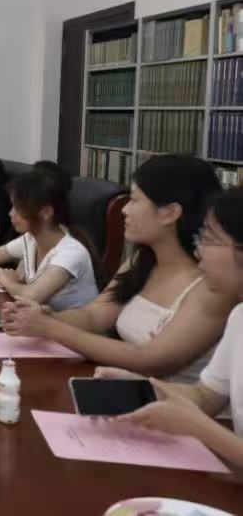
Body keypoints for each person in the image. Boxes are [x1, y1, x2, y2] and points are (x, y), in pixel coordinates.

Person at [2, 155, 235, 381]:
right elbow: (94, 316)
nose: (124, 210)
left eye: (134, 200)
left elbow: (150, 359)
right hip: (127, 387)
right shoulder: (142, 261)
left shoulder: (211, 286)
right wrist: (45, 316)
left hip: (168, 402)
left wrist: (51, 327)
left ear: (169, 213)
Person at [116, 188, 243, 466]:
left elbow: (200, 417)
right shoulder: (238, 317)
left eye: (209, 239)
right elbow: (206, 396)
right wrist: (144, 388)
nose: (198, 251)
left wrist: (198, 427)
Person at [0, 171, 99, 311]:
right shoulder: (30, 239)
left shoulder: (71, 252)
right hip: (39, 320)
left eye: (18, 208)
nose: (11, 213)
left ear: (46, 213)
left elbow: (31, 296)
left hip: (69, 324)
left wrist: (8, 282)